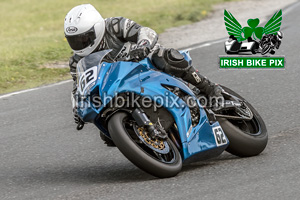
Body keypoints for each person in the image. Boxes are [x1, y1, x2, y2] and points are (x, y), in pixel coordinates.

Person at [64, 4, 223, 142]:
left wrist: (143, 45)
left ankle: (208, 87)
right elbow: (78, 88)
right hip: (117, 88)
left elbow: (145, 31)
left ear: (97, 28)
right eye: (74, 40)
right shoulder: (76, 61)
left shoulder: (115, 25)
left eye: (84, 38)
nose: (80, 44)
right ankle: (149, 142)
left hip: (143, 64)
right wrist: (77, 107)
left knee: (166, 57)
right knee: (106, 134)